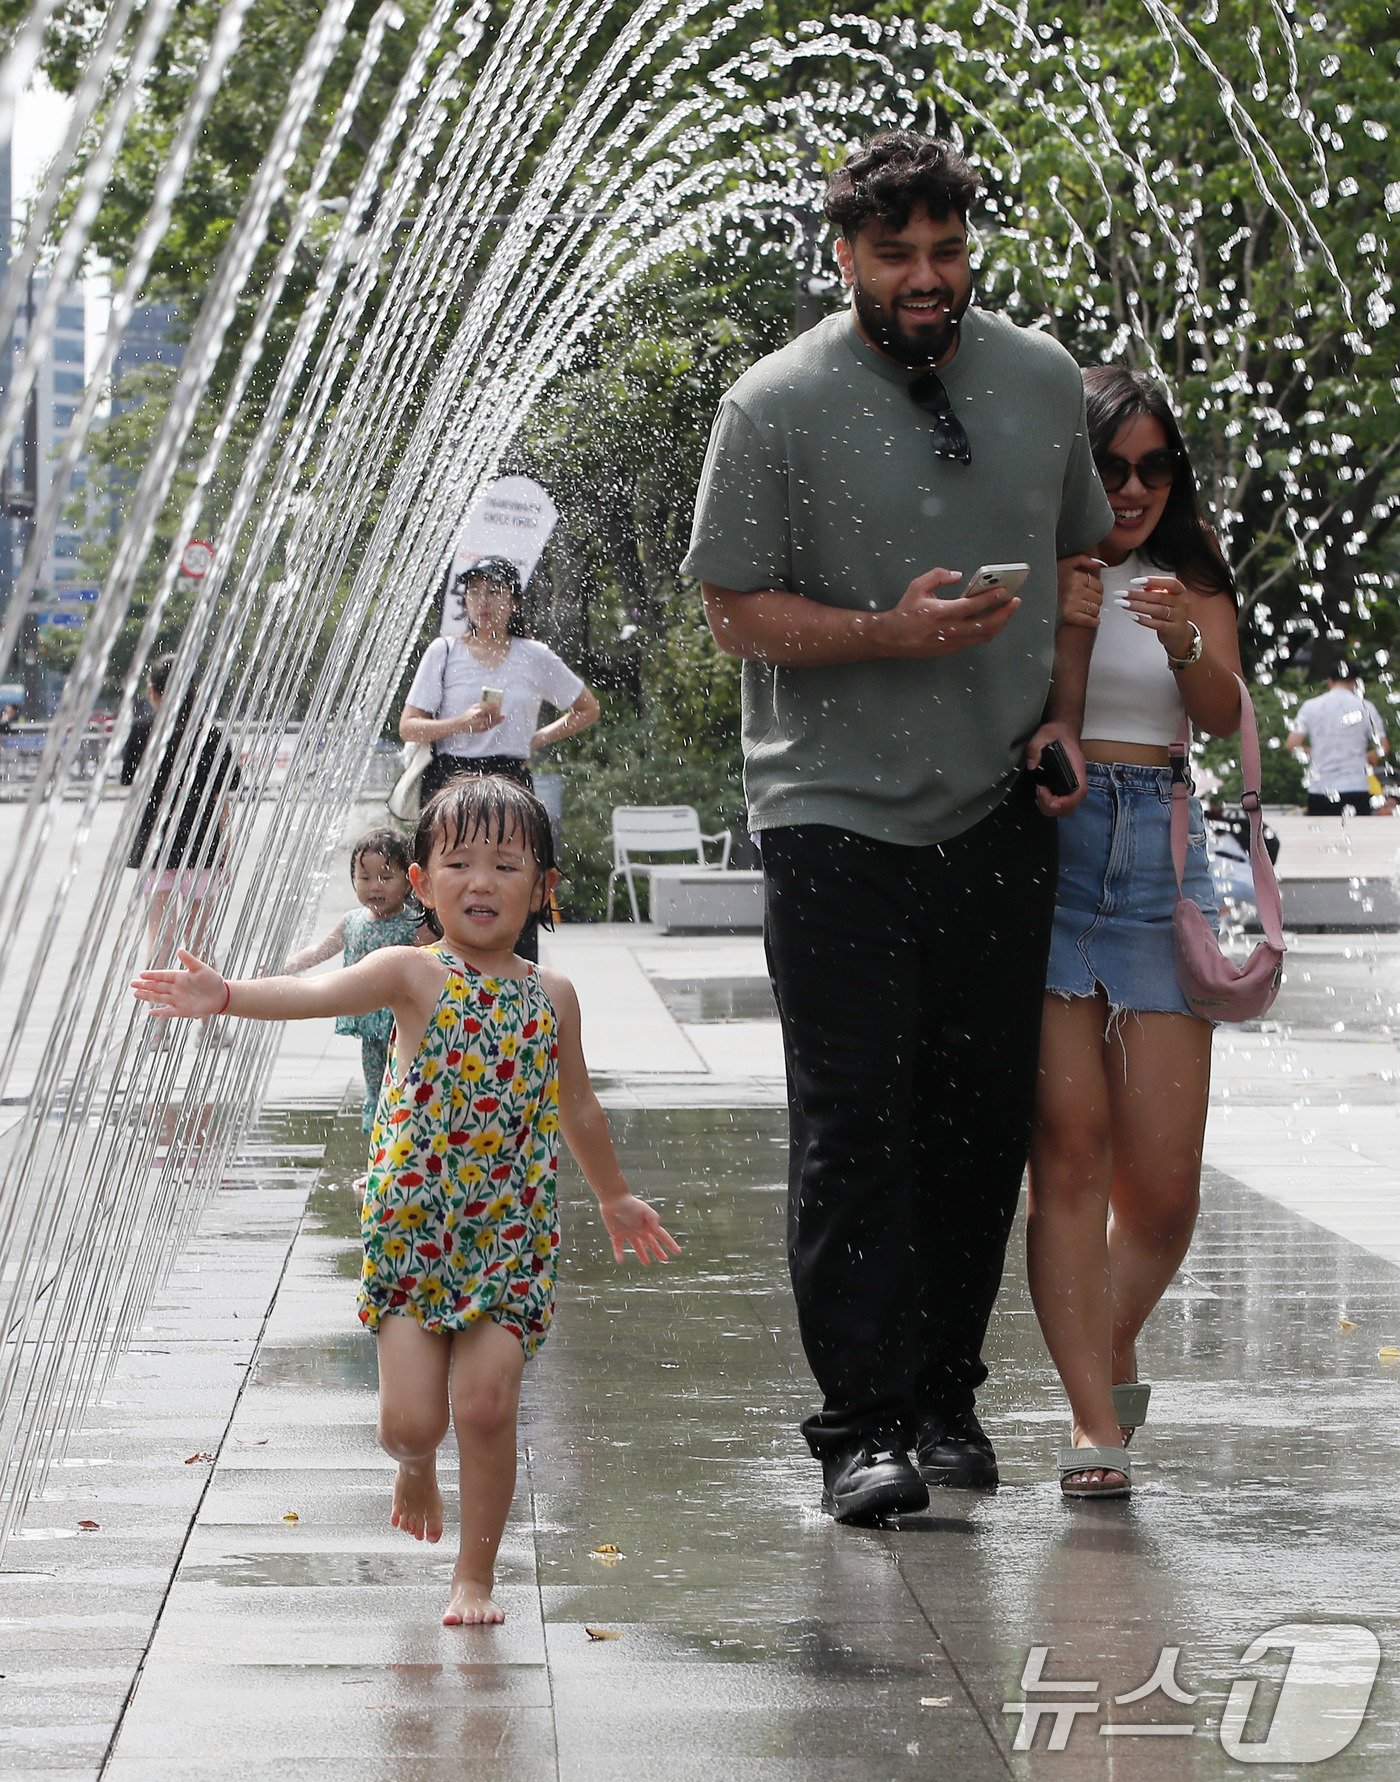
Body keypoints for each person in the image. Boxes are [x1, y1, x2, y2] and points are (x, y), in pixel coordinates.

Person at [684, 129, 1113, 1523]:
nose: (926, 278)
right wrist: (884, 630)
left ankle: (943, 1398)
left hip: (995, 802)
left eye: (946, 251)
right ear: (845, 254)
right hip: (828, 811)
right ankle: (858, 1427)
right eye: (896, 255)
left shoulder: (1043, 380)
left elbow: (1078, 557)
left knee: (977, 1126)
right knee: (855, 1124)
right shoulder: (774, 404)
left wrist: (1060, 712)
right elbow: (732, 611)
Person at [133, 775, 680, 1626]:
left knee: (488, 1406)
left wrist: (613, 1196)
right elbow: (314, 996)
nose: (481, 881)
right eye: (458, 862)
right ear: (421, 883)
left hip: (510, 1234)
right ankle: (415, 1465)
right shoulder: (408, 975)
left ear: (542, 887)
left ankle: (475, 1578)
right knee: (411, 1423)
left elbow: (577, 1105)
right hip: (412, 1230)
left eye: (506, 864)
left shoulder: (552, 996)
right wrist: (228, 994)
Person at [1033, 366, 1244, 1498]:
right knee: (1068, 1158)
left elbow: (1221, 714)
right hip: (1057, 853)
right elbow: (1030, 718)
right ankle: (1087, 1421)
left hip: (1160, 853)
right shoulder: (1046, 566)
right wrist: (1061, 617)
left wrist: (1180, 648)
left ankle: (1102, 1347)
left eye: (1154, 467)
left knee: (1160, 1191)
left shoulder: (1189, 577)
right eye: (1112, 465)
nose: (1132, 487)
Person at [399, 556, 599, 960]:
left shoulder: (534, 655)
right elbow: (409, 726)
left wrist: (536, 738)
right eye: (474, 591)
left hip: (510, 778)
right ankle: (436, 982)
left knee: (515, 880)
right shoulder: (444, 651)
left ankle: (517, 981)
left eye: (494, 591)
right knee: (446, 883)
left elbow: (587, 708)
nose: (483, 601)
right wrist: (460, 723)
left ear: (515, 602)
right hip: (452, 778)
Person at [283, 827, 432, 1133]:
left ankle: (408, 1140)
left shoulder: (414, 923)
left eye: (386, 877)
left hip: (405, 1023)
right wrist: (290, 964)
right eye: (364, 878)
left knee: (408, 1080)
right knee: (374, 1084)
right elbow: (322, 949)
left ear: (409, 879)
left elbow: (435, 962)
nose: (375, 886)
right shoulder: (352, 921)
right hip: (370, 1024)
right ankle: (378, 1147)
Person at [120, 653, 240, 972]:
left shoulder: (143, 731)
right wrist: (225, 843)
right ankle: (208, 1016)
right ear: (195, 691)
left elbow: (135, 790)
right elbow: (220, 796)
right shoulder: (210, 734)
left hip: (157, 847)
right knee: (200, 938)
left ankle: (154, 1015)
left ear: (153, 692)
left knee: (159, 933)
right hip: (201, 846)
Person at [1285, 659, 1387, 816]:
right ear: (1355, 682)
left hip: (1320, 789)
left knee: (1320, 839)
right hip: (1356, 787)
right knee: (1355, 838)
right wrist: (1366, 758)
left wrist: (1316, 753)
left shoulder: (1311, 706)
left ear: (1330, 681)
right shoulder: (1366, 707)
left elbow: (1292, 744)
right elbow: (1383, 747)